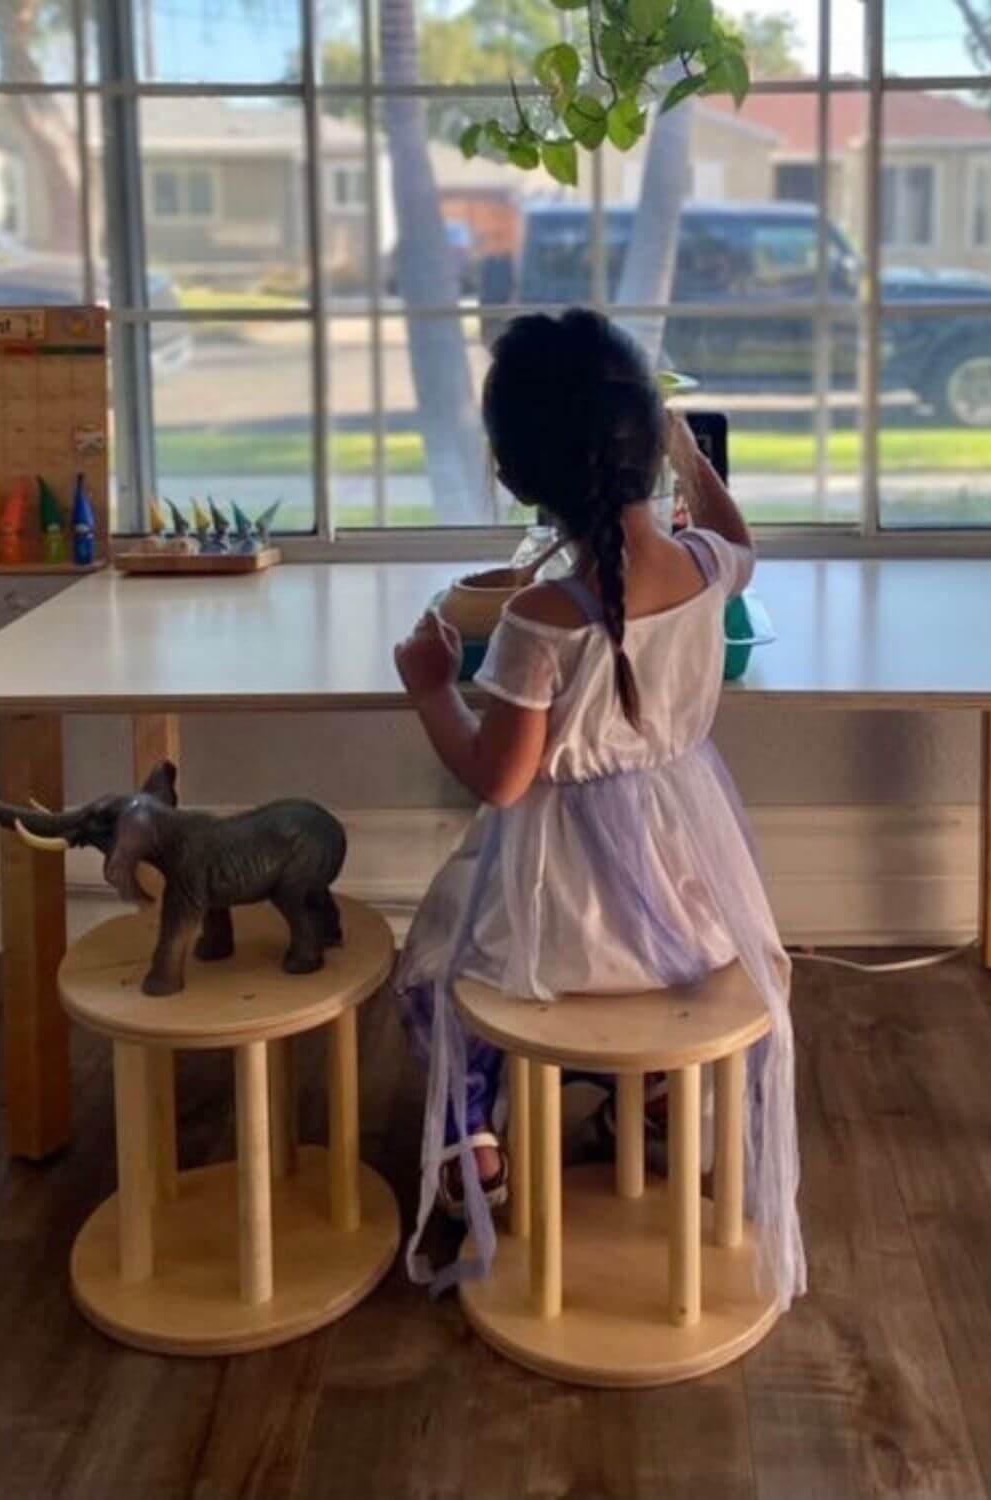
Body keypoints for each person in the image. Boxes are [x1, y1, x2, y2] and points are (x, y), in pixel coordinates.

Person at [392, 308, 806, 1305]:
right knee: (659, 978)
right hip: (691, 904)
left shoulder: (540, 617)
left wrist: (430, 690)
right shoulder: (706, 571)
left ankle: (477, 1151)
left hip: (564, 915)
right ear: (647, 441)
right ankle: (657, 1099)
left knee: (443, 967)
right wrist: (689, 457)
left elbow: (498, 781)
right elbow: (734, 537)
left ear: (514, 475)